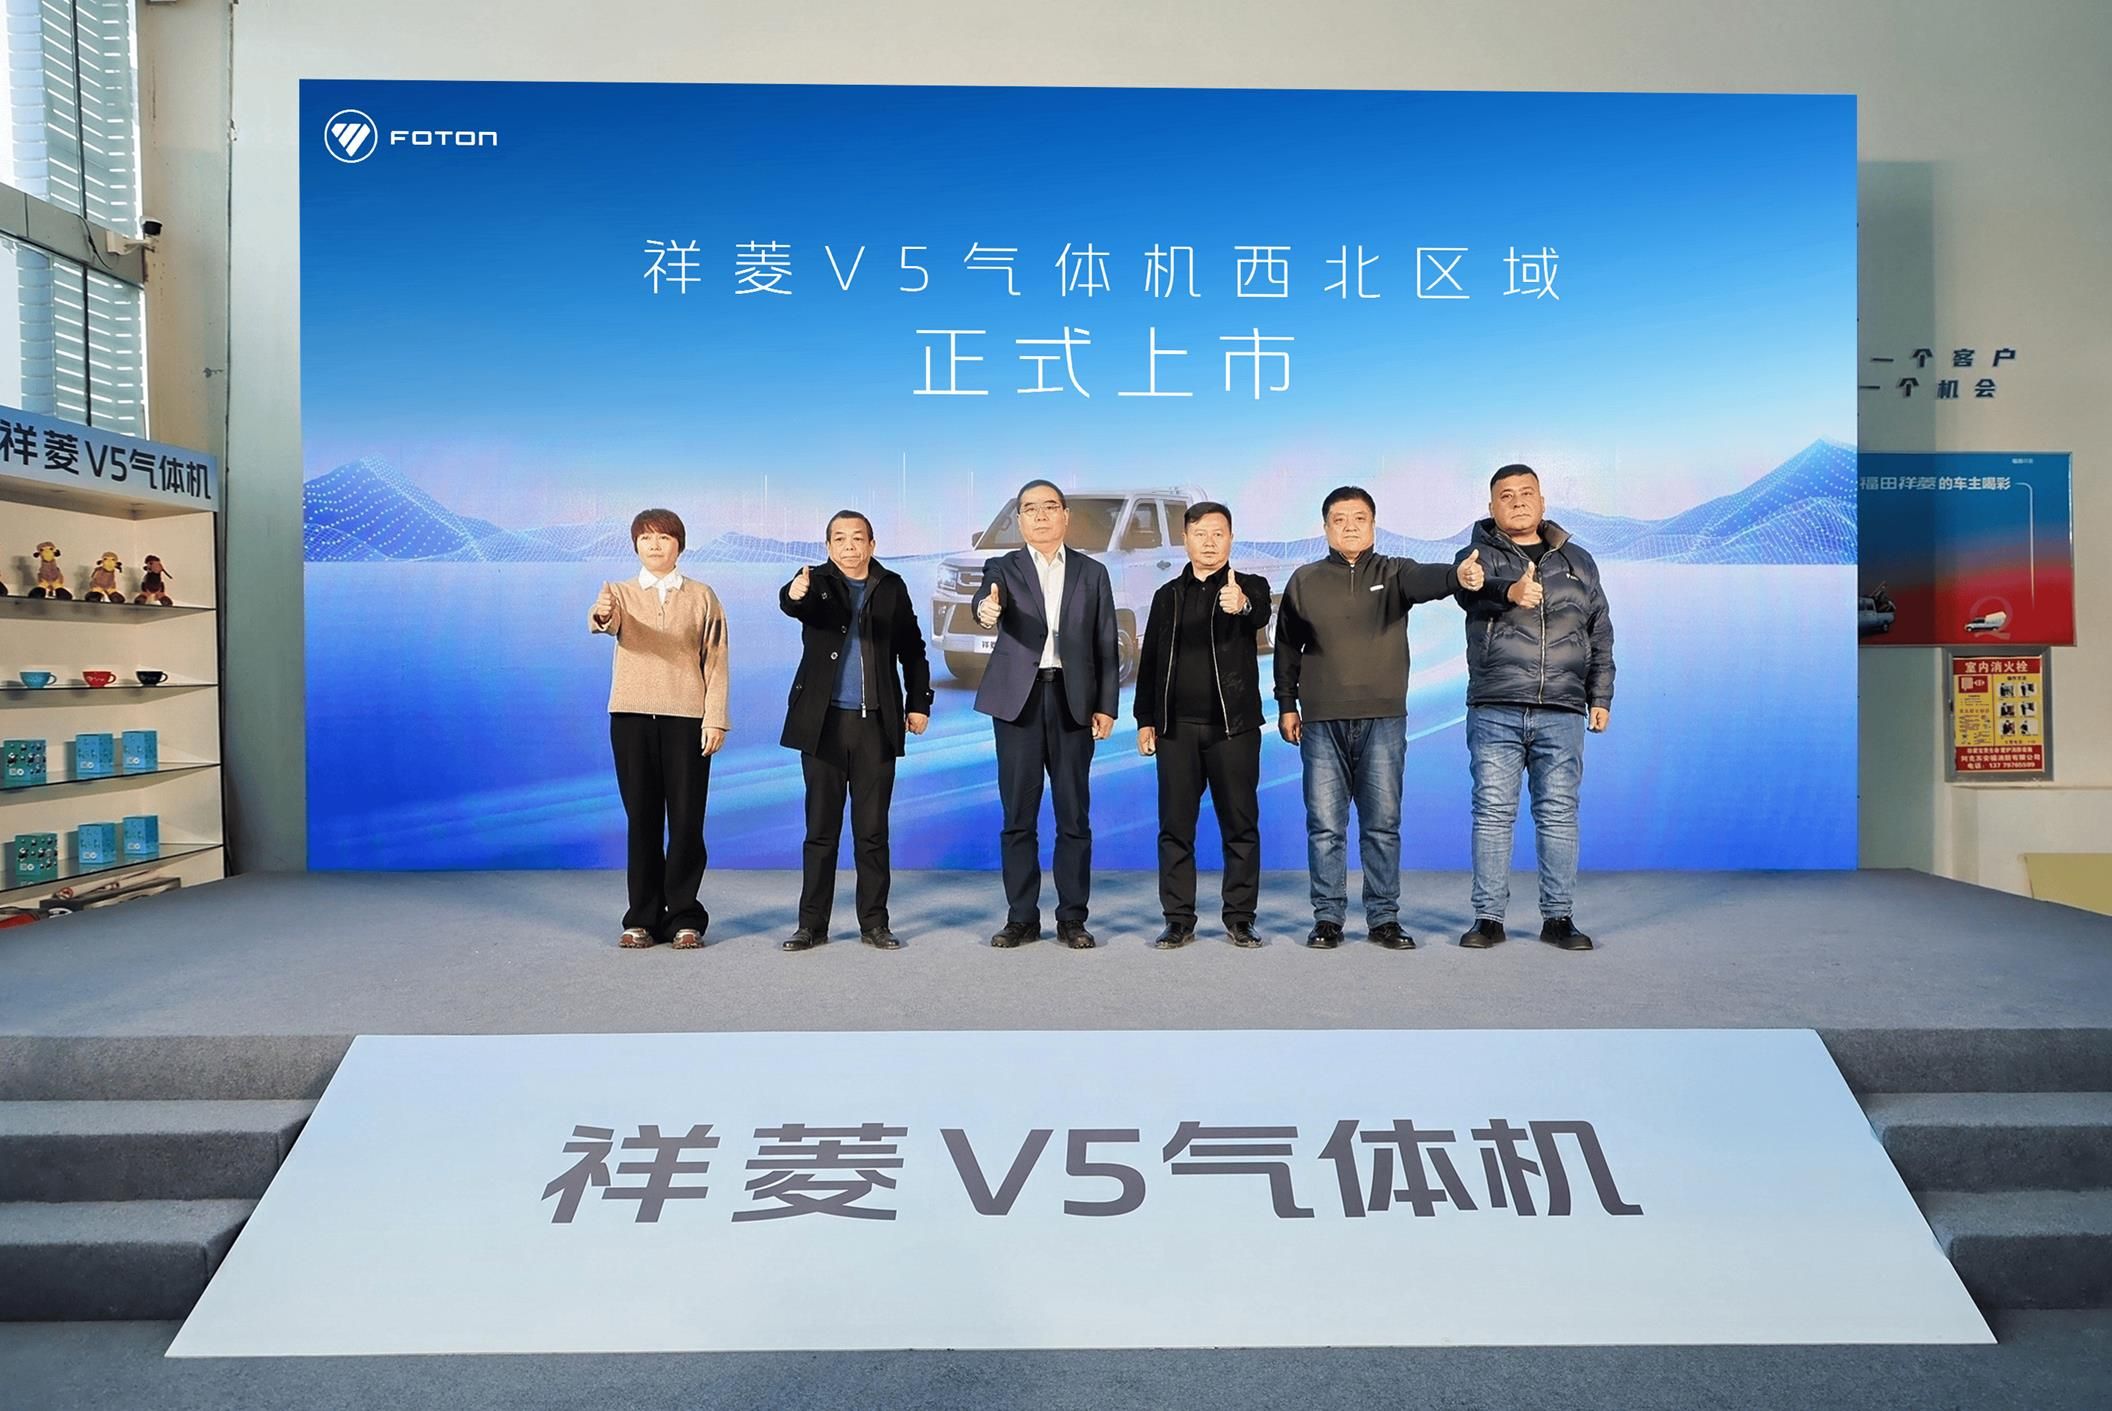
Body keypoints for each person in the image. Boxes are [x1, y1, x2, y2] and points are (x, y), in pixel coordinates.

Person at [1273, 486, 1484, 950]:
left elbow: (1429, 580)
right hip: (1321, 720)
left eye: (1359, 518)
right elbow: (1286, 646)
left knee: (1382, 825)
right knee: (1325, 826)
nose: (1350, 527)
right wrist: (1287, 703)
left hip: (1384, 719)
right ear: (1325, 527)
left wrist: (1458, 576)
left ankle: (1384, 918)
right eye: (1340, 519)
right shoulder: (1304, 580)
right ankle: (1328, 918)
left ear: (1373, 524)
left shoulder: (1395, 573)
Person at [1452, 464, 1613, 952]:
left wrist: (1600, 696)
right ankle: (1488, 918)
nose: (1518, 501)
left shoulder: (1579, 561)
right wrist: (1502, 589)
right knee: (1492, 814)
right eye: (1506, 495)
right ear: (1491, 507)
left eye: (1527, 493)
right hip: (1496, 706)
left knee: (1559, 814)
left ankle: (1558, 918)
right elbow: (1467, 590)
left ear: (1543, 502)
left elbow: (1599, 632)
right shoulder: (1475, 557)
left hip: (1562, 709)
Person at [777, 511, 935, 952]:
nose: (849, 546)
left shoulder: (892, 586)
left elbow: (914, 650)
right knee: (820, 831)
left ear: (872, 544)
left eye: (858, 538)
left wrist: (918, 703)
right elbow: (794, 603)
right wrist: (793, 592)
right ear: (828, 546)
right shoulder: (814, 582)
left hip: (875, 726)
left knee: (873, 832)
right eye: (840, 539)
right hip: (822, 724)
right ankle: (811, 925)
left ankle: (875, 923)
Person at [972, 479, 1119, 949]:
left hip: (1073, 702)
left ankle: (1073, 918)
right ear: (1019, 520)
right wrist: (986, 611)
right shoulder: (1003, 567)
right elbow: (984, 603)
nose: (1040, 515)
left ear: (1065, 516)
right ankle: (1021, 918)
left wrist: (1107, 706)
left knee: (1074, 816)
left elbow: (1106, 643)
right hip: (1018, 702)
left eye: (1049, 507)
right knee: (1018, 814)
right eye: (1030, 509)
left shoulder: (1093, 572)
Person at [1134, 502, 1273, 949]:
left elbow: (1259, 614)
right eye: (1200, 534)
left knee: (1240, 825)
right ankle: (1178, 919)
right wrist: (1145, 719)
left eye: (1218, 533)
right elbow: (1150, 662)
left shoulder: (1249, 586)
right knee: (1175, 828)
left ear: (1231, 538)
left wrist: (1242, 604)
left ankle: (1240, 918)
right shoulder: (1167, 596)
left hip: (1233, 729)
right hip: (1176, 731)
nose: (1209, 542)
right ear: (1185, 539)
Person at [589, 508, 729, 950]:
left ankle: (685, 917)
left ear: (679, 545)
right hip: (631, 718)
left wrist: (715, 717)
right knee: (643, 820)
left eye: (664, 537)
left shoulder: (702, 596)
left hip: (687, 718)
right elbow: (605, 622)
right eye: (646, 538)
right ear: (635, 545)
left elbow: (716, 659)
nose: (654, 545)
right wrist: (602, 613)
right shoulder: (620, 593)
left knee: (687, 821)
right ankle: (642, 918)